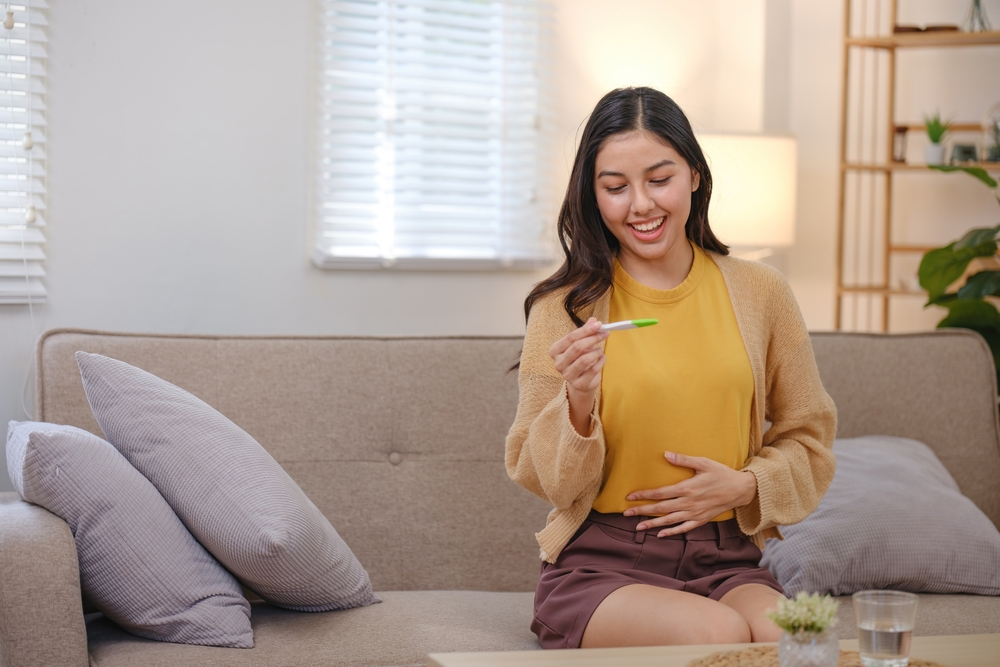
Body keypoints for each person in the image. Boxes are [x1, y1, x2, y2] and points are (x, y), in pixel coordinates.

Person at [504, 87, 837, 649]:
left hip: (729, 555)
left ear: (695, 177)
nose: (640, 204)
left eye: (660, 179)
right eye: (615, 187)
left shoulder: (762, 293)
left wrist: (745, 484)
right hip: (604, 564)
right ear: (593, 195)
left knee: (798, 637)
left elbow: (810, 437)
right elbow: (542, 477)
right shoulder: (564, 310)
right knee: (722, 634)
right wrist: (578, 400)